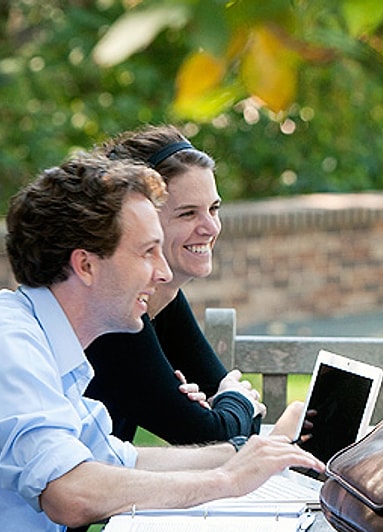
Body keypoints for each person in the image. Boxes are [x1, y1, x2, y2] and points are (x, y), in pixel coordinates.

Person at [0, 153, 324, 532]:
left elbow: (116, 459)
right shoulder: (5, 343)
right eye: (147, 253)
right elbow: (71, 492)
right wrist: (226, 481)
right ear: (85, 264)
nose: (162, 273)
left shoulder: (46, 345)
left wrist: (242, 454)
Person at [83, 124, 266, 445]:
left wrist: (226, 407)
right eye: (187, 214)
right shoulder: (113, 315)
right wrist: (231, 404)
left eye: (213, 209)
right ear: (139, 220)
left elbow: (233, 425)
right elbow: (210, 433)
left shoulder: (163, 297)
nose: (210, 227)